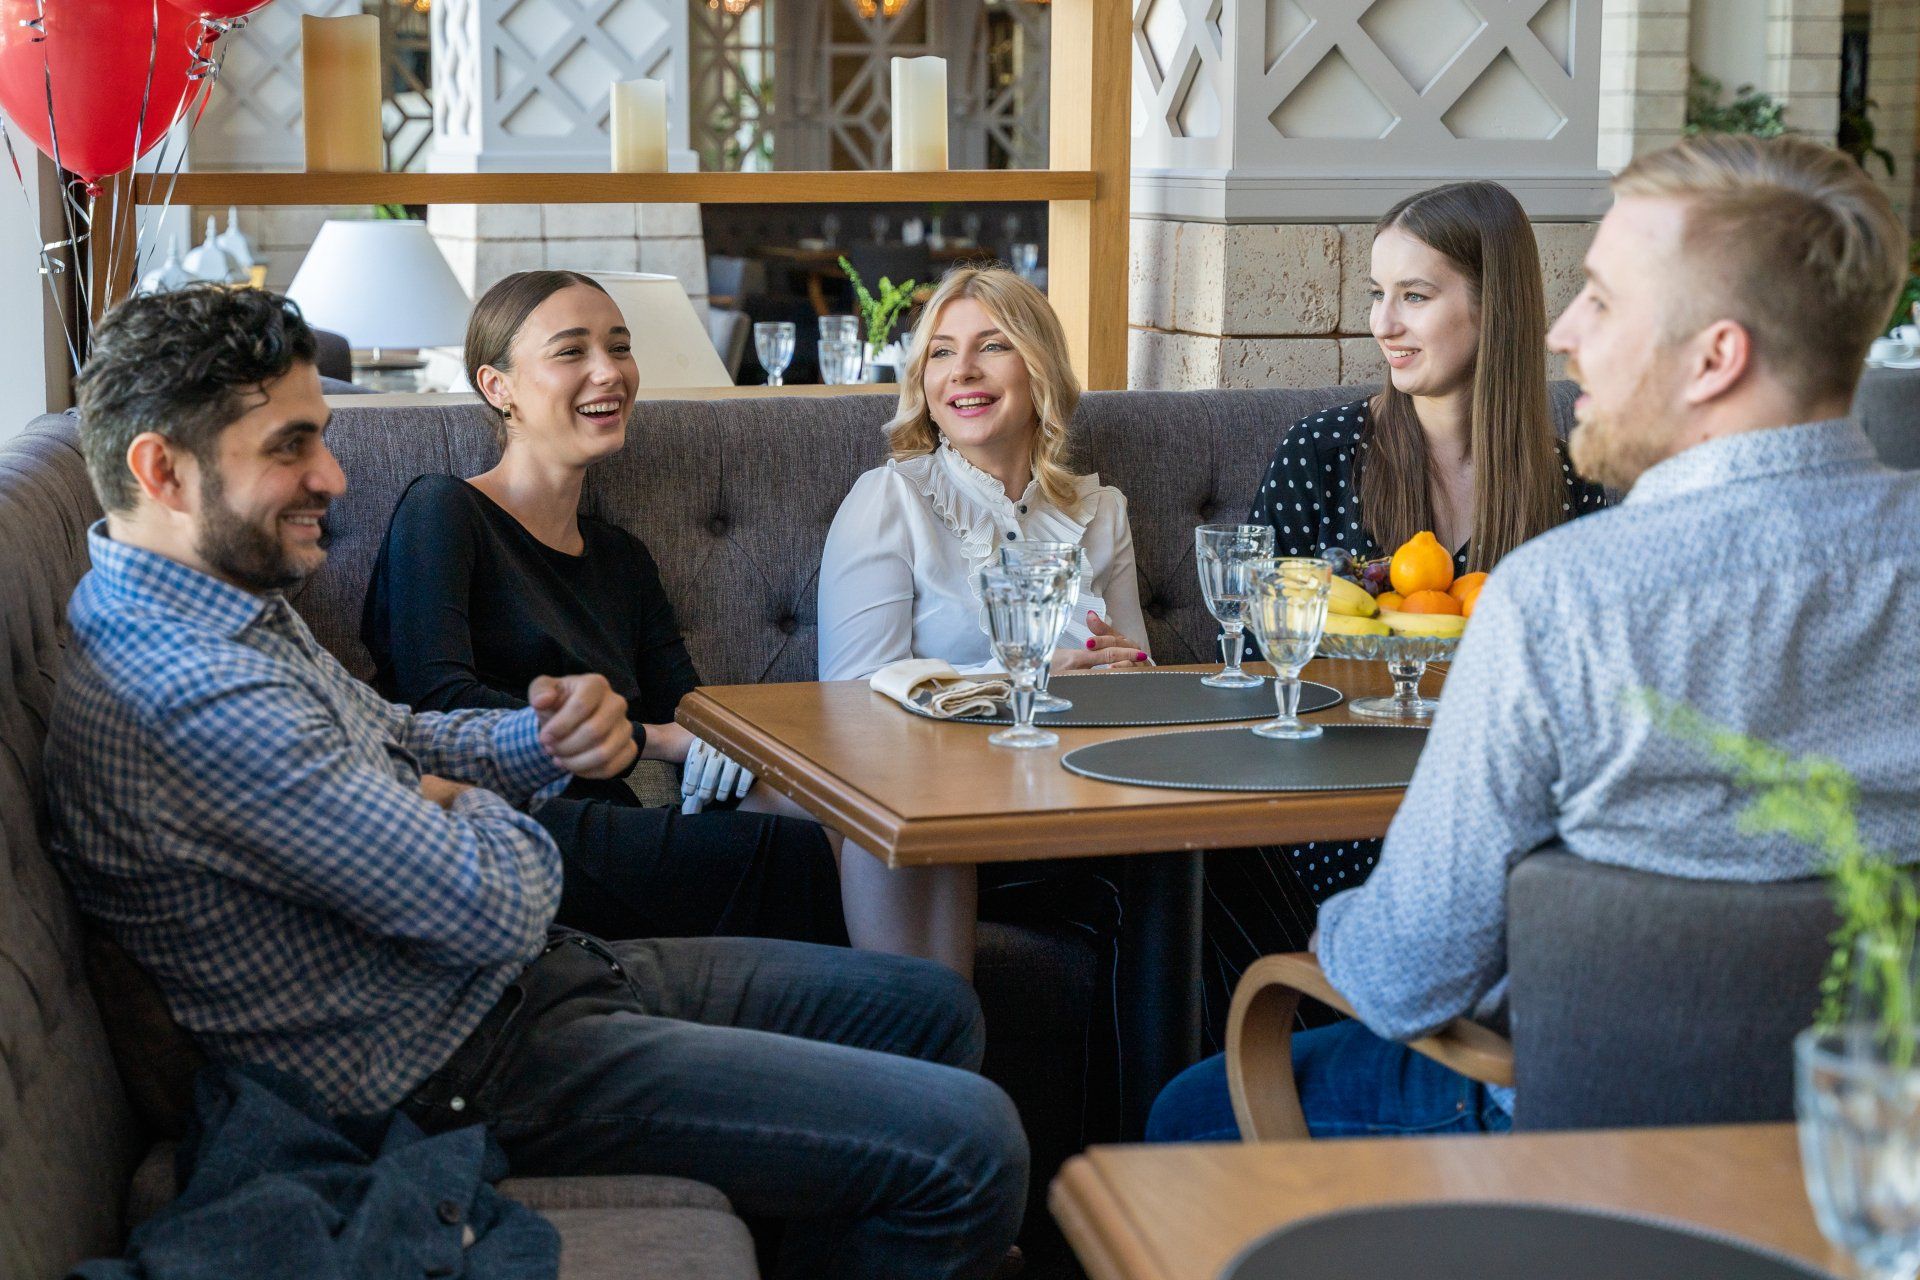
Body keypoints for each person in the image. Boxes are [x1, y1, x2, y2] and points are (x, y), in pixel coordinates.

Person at [46, 284, 1027, 1280]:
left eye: (323, 437)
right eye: (291, 446)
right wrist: (461, 803)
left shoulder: (219, 604)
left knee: (930, 1005)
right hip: (458, 1063)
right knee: (973, 1140)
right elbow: (496, 902)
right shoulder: (191, 693)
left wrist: (535, 742)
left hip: (526, 983)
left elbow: (400, 729)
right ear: (161, 469)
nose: (334, 475)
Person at [1150, 134, 1920, 1141]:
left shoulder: (1564, 598)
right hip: (1874, 1130)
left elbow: (1403, 974)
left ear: (1716, 356)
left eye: (1601, 299)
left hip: (1582, 1130)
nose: (1561, 331)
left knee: (1186, 1114)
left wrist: (1337, 933)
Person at [1203, 181, 1610, 1048]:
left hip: (1492, 828)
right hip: (1329, 816)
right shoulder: (1324, 452)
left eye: (1415, 297)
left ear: (1494, 307)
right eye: (1377, 296)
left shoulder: (1575, 477)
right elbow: (1244, 644)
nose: (1384, 323)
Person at [364, 270, 846, 948]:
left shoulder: (621, 556)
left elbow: (691, 710)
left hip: (627, 812)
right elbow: (435, 699)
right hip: (507, 823)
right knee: (800, 856)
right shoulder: (443, 509)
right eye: (571, 351)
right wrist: (654, 740)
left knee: (844, 822)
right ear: (497, 387)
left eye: (619, 347)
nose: (609, 372)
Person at [815, 265, 1152, 977]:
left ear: (1040, 371)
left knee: (1195, 878)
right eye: (940, 352)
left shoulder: (1101, 511)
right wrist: (1021, 679)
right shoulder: (890, 500)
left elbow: (1144, 693)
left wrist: (1125, 671)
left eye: (992, 346)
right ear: (923, 384)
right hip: (946, 805)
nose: (962, 370)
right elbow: (849, 703)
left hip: (1080, 798)